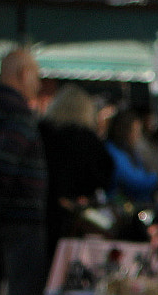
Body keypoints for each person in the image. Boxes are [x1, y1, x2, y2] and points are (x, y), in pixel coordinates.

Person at [0, 48, 47, 295]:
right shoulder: (16, 111)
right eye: (36, 74)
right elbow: (6, 161)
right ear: (23, 74)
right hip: (17, 220)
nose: (39, 83)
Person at [39, 84, 114, 260]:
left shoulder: (42, 132)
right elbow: (104, 176)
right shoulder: (88, 140)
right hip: (73, 217)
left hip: (41, 212)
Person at [105, 108, 158, 205]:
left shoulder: (128, 150)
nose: (138, 136)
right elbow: (132, 181)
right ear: (125, 131)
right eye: (135, 131)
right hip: (120, 206)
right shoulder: (113, 152)